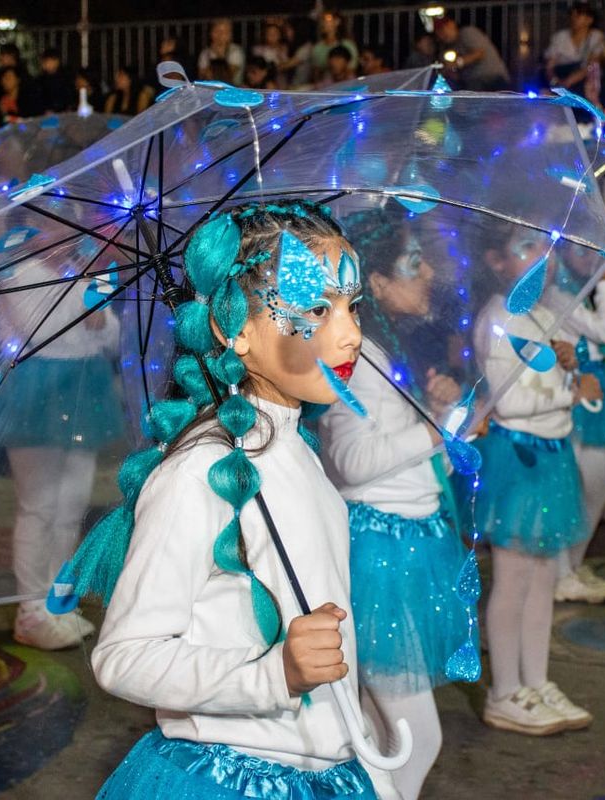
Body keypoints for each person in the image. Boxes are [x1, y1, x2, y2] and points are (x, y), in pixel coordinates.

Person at [71, 201, 377, 798]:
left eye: (352, 305)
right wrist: (274, 675)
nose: (351, 332)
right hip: (230, 778)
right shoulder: (202, 471)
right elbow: (124, 656)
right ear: (233, 328)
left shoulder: (300, 450)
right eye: (316, 308)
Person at [318, 209, 474, 800]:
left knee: (373, 739)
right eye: (413, 262)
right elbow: (353, 461)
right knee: (415, 740)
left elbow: (409, 448)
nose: (429, 271)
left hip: (405, 540)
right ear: (376, 284)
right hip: (381, 552)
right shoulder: (360, 361)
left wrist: (439, 406)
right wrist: (434, 430)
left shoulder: (386, 353)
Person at [473, 229, 597, 736]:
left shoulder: (546, 315)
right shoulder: (498, 320)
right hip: (517, 457)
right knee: (515, 578)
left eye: (544, 248)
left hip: (552, 454)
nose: (540, 260)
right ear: (497, 259)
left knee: (544, 576)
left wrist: (571, 369)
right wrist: (571, 393)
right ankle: (505, 691)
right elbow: (511, 403)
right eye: (524, 247)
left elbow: (552, 384)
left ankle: (537, 681)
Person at [0, 254, 124, 651]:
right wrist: (86, 307)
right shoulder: (18, 270)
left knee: (71, 506)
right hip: (35, 392)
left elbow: (110, 336)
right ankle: (30, 611)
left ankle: (56, 602)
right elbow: (36, 328)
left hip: (83, 389)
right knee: (39, 504)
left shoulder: (91, 271)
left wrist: (100, 317)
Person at [545, 257, 605, 605]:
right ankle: (562, 573)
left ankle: (571, 566)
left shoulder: (573, 290)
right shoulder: (556, 293)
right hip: (572, 388)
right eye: (583, 252)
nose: (593, 261)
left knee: (597, 482)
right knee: (575, 482)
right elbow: (604, 331)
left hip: (589, 385)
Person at [433, 16, 511, 91]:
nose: (443, 34)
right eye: (439, 32)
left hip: (491, 78)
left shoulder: (467, 32)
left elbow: (479, 53)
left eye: (444, 29)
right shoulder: (448, 47)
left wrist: (457, 63)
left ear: (452, 24)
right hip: (472, 82)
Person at [545, 3, 605, 97]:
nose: (574, 19)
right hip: (560, 76)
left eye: (578, 16)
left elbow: (593, 64)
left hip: (583, 79)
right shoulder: (560, 37)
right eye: (572, 15)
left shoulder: (596, 36)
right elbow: (550, 66)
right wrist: (555, 81)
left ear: (589, 20)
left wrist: (568, 82)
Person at [310, 11, 359, 85]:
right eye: (322, 20)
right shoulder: (317, 47)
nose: (323, 23)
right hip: (325, 84)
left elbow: (351, 69)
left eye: (327, 20)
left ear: (337, 22)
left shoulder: (348, 45)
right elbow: (316, 73)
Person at [197, 18, 245, 85]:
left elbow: (228, 75)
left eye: (225, 32)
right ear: (211, 33)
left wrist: (219, 54)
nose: (220, 35)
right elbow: (201, 75)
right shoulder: (205, 53)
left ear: (230, 35)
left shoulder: (235, 51)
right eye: (217, 31)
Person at [35, 48, 76, 114]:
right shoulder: (40, 81)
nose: (43, 64)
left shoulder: (66, 79)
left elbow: (70, 99)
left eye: (46, 61)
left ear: (56, 61)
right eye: (42, 62)